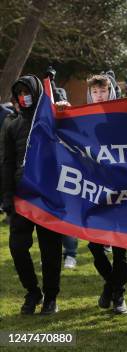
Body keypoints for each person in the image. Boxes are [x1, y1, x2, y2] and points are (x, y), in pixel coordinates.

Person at [4, 75, 63, 315]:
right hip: (21, 196)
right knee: (18, 248)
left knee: (50, 250)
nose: (23, 96)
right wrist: (6, 195)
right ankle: (32, 292)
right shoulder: (11, 123)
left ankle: (50, 297)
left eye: (27, 91)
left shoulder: (54, 119)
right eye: (19, 92)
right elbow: (6, 161)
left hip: (49, 196)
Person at [82, 74, 127, 315]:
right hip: (94, 191)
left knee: (121, 247)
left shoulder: (121, 117)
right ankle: (111, 284)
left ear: (110, 91)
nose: (99, 95)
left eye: (103, 91)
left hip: (121, 191)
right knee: (95, 246)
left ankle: (118, 295)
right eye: (96, 92)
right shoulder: (81, 119)